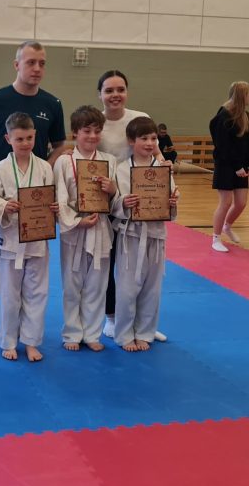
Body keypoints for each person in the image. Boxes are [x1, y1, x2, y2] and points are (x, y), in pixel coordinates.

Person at [0, 41, 67, 340]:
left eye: (42, 63)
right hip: (1, 190)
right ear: (17, 64)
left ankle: (25, 326)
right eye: (31, 62)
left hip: (35, 198)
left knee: (33, 261)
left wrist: (44, 173)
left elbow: (60, 145)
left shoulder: (52, 103)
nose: (37, 68)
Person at [96, 70, 167, 341]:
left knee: (143, 266)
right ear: (100, 94)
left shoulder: (139, 117)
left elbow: (154, 150)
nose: (115, 95)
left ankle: (143, 322)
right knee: (111, 263)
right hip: (105, 198)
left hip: (140, 198)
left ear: (127, 91)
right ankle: (112, 317)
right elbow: (86, 145)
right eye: (109, 90)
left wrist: (164, 169)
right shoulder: (97, 121)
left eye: (120, 89)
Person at [0, 112, 57, 362]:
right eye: (19, 139)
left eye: (29, 138)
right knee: (10, 293)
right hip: (10, 239)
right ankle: (8, 340)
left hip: (38, 238)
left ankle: (31, 342)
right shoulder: (1, 167)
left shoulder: (45, 167)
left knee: (37, 292)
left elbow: (51, 197)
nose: (25, 143)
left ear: (35, 136)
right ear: (8, 139)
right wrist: (4, 206)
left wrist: (54, 208)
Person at [111, 116, 180, 351]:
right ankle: (124, 334)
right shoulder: (121, 169)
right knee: (127, 288)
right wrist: (123, 203)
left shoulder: (163, 169)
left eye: (153, 138)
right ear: (131, 141)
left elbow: (171, 202)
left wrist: (172, 203)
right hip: (130, 236)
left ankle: (145, 332)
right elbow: (113, 204)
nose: (150, 143)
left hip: (156, 235)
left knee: (153, 287)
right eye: (144, 138)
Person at [54, 106, 117, 352]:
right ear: (75, 133)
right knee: (72, 284)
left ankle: (92, 333)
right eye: (87, 131)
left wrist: (112, 190)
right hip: (74, 229)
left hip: (100, 228)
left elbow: (118, 201)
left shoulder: (109, 161)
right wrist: (76, 221)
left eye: (97, 131)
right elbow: (59, 197)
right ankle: (72, 332)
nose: (92, 136)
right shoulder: (64, 161)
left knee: (97, 284)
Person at [208, 81, 249, 253]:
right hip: (225, 165)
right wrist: (237, 166)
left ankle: (227, 226)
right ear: (242, 96)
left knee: (241, 203)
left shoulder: (245, 116)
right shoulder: (223, 116)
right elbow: (223, 146)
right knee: (226, 202)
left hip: (241, 165)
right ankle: (215, 238)